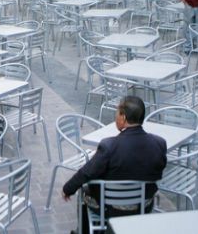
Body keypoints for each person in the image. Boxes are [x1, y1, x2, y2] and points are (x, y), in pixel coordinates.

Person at [62, 96, 167, 232]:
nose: (115, 117)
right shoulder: (159, 143)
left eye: (116, 113)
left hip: (110, 207)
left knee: (85, 191)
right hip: (143, 205)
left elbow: (88, 172)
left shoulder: (109, 146)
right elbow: (159, 170)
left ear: (123, 117)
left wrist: (68, 189)